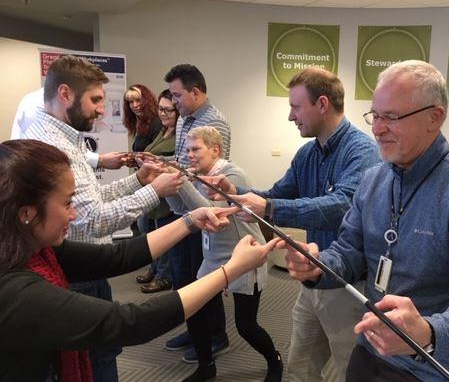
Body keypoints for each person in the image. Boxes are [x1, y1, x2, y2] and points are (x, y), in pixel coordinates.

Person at [283, 60, 449, 381]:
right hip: (370, 347)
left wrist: (427, 331)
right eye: (375, 116)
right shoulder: (373, 180)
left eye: (391, 117)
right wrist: (317, 265)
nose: (377, 129)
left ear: (435, 117)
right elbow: (349, 252)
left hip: (431, 366)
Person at [0, 139, 277, 382]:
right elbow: (131, 322)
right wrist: (231, 270)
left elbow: (114, 257)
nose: (73, 215)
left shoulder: (34, 250)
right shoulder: (16, 290)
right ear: (27, 213)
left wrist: (190, 222)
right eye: (67, 204)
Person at [207, 67, 380, 381]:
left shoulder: (363, 152)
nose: (290, 116)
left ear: (323, 104)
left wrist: (270, 206)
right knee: (299, 365)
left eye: (295, 106)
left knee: (350, 370)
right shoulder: (307, 154)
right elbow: (276, 195)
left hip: (347, 284)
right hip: (313, 278)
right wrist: (237, 193)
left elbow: (344, 206)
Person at [24, 55, 184, 382]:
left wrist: (138, 180)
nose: (101, 109)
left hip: (82, 267)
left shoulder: (64, 137)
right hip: (79, 273)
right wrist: (155, 190)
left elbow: (92, 200)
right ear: (66, 94)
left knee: (101, 352)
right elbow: (93, 219)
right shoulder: (57, 147)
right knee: (99, 355)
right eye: (96, 100)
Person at [168, 126, 282, 382]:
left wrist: (183, 180)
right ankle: (206, 366)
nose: (190, 155)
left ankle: (274, 359)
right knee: (194, 310)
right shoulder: (198, 174)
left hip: (244, 257)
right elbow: (179, 208)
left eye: (196, 149)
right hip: (212, 259)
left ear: (215, 150)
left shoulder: (231, 174)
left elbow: (213, 214)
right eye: (188, 150)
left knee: (246, 326)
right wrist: (170, 183)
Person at [163, 63, 233, 358]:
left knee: (203, 277)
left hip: (200, 209)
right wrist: (161, 163)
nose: (173, 101)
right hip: (179, 206)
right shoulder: (183, 119)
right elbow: (183, 159)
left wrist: (171, 172)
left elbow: (209, 175)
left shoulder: (215, 123)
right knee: (183, 276)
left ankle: (214, 335)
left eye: (177, 95)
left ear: (195, 92)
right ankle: (195, 330)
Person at [11, 87, 127, 169]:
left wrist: (100, 160)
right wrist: (99, 160)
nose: (101, 111)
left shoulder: (48, 104)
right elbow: (56, 152)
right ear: (64, 94)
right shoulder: (38, 108)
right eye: (93, 100)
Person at [136, 89, 180, 294]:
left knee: (164, 238)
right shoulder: (162, 131)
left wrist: (152, 160)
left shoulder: (180, 134)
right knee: (150, 233)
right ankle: (155, 270)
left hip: (167, 195)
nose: (163, 113)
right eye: (160, 109)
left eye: (168, 110)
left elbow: (178, 162)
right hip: (154, 192)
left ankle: (164, 276)